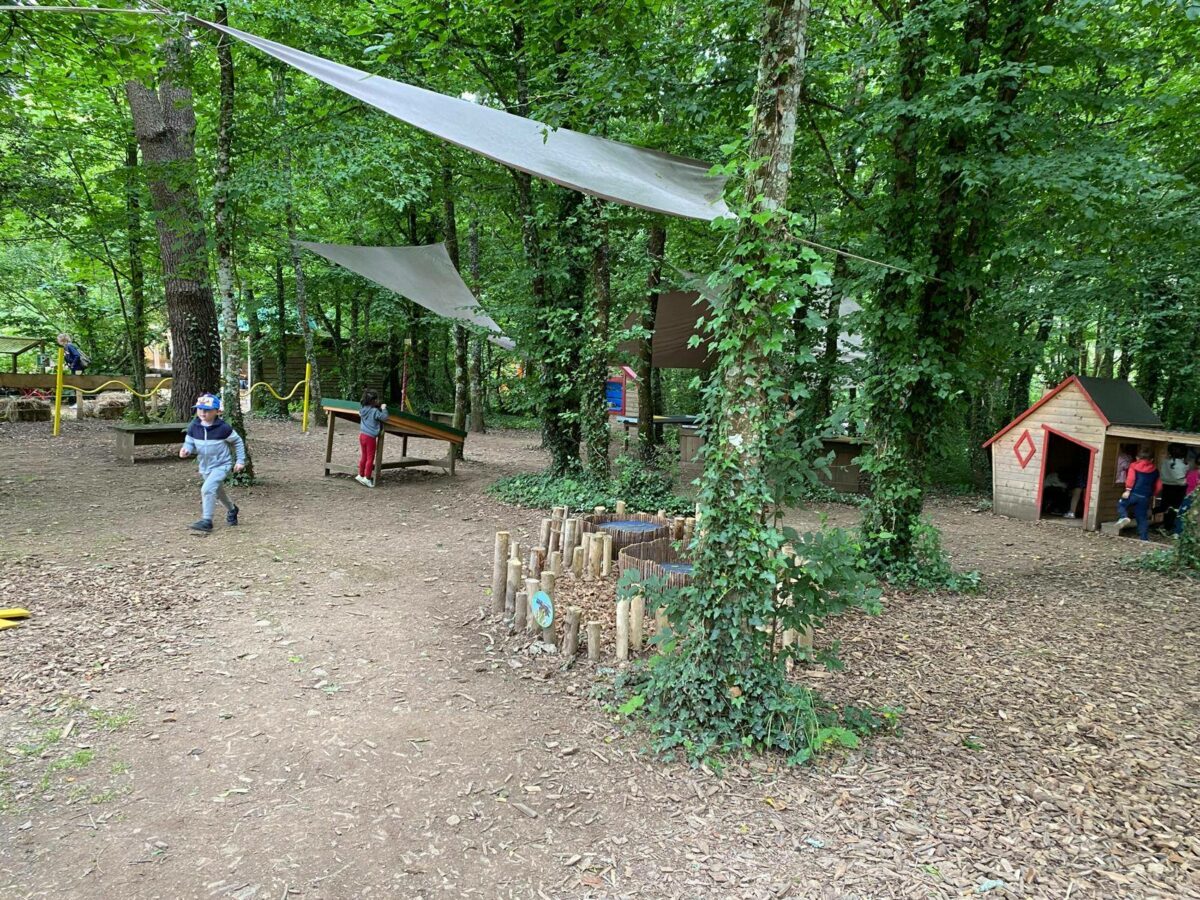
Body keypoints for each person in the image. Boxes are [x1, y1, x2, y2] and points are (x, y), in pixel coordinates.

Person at [179, 394, 246, 532]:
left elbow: (237, 441)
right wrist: (186, 450)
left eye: (207, 410)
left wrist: (240, 460)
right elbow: (189, 442)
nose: (203, 413)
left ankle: (207, 521)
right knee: (218, 492)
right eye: (200, 409)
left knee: (207, 489)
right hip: (205, 466)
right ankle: (232, 509)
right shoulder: (194, 426)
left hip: (222, 465)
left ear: (217, 411)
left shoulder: (223, 428)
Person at [1114, 448, 1162, 541]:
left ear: (1137, 458)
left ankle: (1124, 517)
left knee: (1121, 504)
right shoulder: (1155, 470)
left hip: (1133, 493)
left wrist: (1128, 490)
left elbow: (1131, 478)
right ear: (1152, 459)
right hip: (1145, 497)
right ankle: (1144, 538)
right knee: (1142, 517)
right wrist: (1153, 493)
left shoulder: (1133, 466)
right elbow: (1159, 485)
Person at [356, 389, 389, 487]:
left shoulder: (362, 409)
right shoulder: (374, 411)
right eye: (376, 399)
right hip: (370, 437)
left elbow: (360, 412)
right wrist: (384, 408)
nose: (378, 401)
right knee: (370, 458)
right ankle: (367, 478)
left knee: (364, 456)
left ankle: (360, 475)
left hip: (362, 435)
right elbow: (385, 417)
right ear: (373, 401)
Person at [1161, 444, 1189, 532]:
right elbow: (1182, 478)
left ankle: (1166, 526)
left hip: (1166, 486)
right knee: (1176, 507)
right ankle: (1173, 526)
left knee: (1166, 507)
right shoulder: (1184, 464)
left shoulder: (1165, 462)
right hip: (1179, 488)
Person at [56, 332, 89, 407]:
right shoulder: (66, 347)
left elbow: (77, 355)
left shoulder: (69, 346)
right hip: (74, 368)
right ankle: (78, 403)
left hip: (77, 368)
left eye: (58, 339)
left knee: (77, 384)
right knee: (75, 384)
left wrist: (73, 364)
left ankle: (79, 403)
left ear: (62, 340)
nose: (57, 341)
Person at [1174, 457, 1199, 537]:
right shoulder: (1192, 474)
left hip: (1189, 498)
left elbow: (1184, 483)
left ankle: (1178, 534)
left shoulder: (1191, 474)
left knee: (1181, 515)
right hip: (1197, 500)